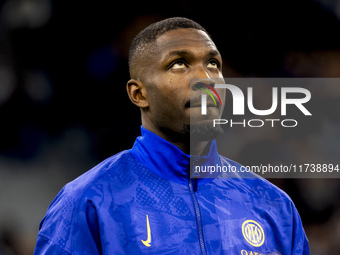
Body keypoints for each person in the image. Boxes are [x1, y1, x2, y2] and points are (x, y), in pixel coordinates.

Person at [34, 17, 310, 255]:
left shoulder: (273, 206)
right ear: (138, 94)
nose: (206, 78)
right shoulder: (89, 201)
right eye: (179, 64)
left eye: (213, 64)